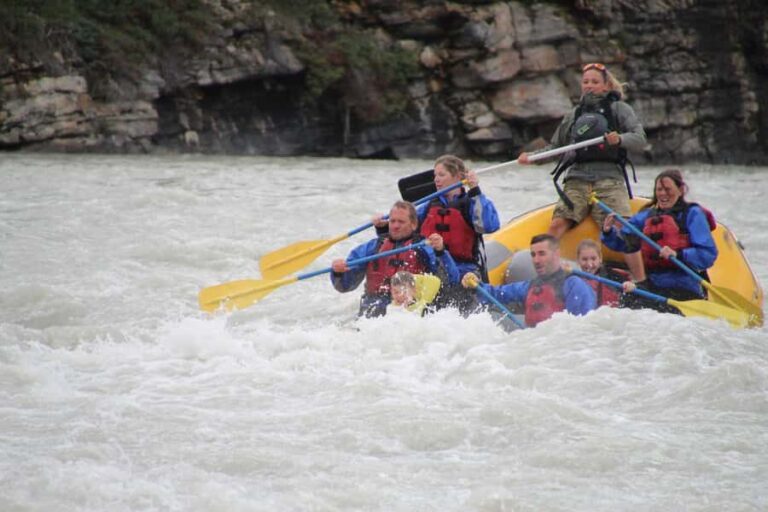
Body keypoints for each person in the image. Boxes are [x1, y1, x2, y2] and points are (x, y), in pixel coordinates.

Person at [517, 62, 647, 283]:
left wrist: (619, 139)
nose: (589, 86)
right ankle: (545, 277)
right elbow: (556, 148)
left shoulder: (620, 110)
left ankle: (641, 280)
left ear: (606, 86)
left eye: (595, 82)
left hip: (609, 179)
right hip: (577, 179)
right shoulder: (574, 115)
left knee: (623, 230)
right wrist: (532, 157)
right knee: (557, 224)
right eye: (585, 82)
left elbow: (640, 139)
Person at [600, 169, 718, 314]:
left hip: (684, 287)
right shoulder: (646, 217)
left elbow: (708, 254)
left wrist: (679, 254)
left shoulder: (693, 214)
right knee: (628, 297)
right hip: (653, 285)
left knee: (655, 307)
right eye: (659, 190)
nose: (662, 194)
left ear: (680, 190)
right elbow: (625, 243)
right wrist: (608, 232)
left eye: (667, 189)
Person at [331, 200, 460, 318]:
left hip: (408, 312)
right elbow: (344, 286)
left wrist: (441, 251)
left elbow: (452, 280)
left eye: (401, 222)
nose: (395, 226)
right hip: (373, 312)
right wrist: (338, 272)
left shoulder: (424, 248)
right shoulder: (372, 248)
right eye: (392, 221)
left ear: (414, 224)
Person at [417, 154, 500, 313]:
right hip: (433, 267)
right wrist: (383, 225)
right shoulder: (429, 205)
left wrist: (475, 190)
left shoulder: (472, 201)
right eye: (435, 176)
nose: (436, 180)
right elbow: (407, 226)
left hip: (464, 269)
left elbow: (489, 225)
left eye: (441, 175)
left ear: (457, 177)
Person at [462, 234, 596, 327]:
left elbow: (581, 328)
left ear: (556, 254)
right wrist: (476, 285)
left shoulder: (574, 285)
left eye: (542, 254)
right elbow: (497, 293)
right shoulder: (531, 286)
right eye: (533, 255)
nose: (536, 260)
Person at [575, 238, 635, 307]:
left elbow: (633, 287)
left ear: (600, 259)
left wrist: (631, 285)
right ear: (578, 260)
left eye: (593, 259)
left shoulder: (611, 275)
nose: (589, 264)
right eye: (584, 259)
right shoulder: (573, 280)